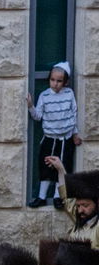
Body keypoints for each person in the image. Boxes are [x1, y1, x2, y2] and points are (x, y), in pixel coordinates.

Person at [27, 62, 81, 207]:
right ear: (49, 79)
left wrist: (75, 133)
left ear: (65, 82)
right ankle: (42, 196)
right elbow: (38, 116)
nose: (55, 84)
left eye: (59, 81)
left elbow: (73, 114)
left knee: (62, 167)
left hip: (65, 138)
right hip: (49, 138)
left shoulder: (69, 94)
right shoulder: (44, 95)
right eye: (52, 80)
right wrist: (31, 106)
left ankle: (58, 197)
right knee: (45, 167)